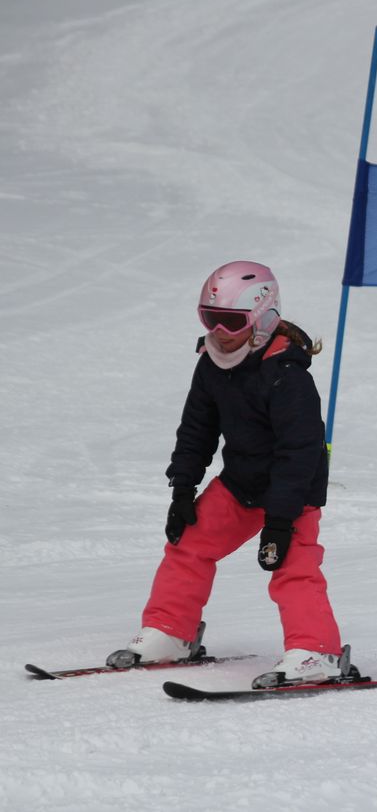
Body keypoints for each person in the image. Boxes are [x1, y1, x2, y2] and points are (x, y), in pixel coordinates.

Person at [107, 260, 343, 687]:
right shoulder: (212, 363)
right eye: (209, 318)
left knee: (291, 566)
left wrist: (280, 520)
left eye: (230, 321)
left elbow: (300, 451)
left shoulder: (287, 376)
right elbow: (197, 429)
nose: (218, 331)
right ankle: (171, 632)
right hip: (240, 485)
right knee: (189, 544)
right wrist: (183, 489)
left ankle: (316, 652)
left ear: (263, 317)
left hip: (293, 492)